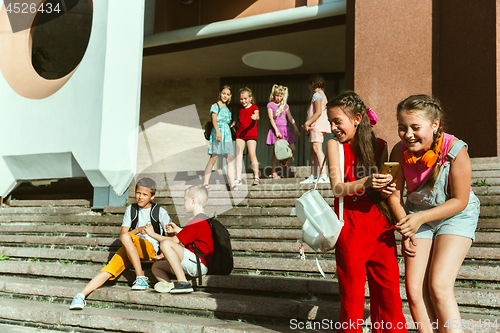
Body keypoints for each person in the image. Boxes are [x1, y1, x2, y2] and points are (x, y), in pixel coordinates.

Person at [388, 95, 479, 333]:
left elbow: (460, 201)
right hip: (417, 215)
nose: (408, 134)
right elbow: (394, 197)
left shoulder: (455, 150)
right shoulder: (399, 151)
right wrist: (406, 227)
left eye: (415, 127)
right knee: (414, 290)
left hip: (456, 214)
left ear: (435, 124)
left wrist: (417, 220)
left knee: (438, 286)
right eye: (402, 128)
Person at [326, 91, 407, 332]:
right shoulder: (334, 145)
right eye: (330, 122)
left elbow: (379, 194)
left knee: (389, 291)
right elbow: (337, 187)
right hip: (350, 227)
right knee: (351, 294)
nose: (333, 127)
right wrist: (367, 181)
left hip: (380, 226)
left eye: (337, 121)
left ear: (357, 118)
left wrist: (385, 187)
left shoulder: (380, 145)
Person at [70, 178, 170, 310]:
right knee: (110, 268)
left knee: (127, 237)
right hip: (129, 246)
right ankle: (81, 296)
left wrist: (163, 253)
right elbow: (124, 234)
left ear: (153, 196)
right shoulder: (131, 209)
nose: (140, 197)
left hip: (149, 249)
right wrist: (138, 230)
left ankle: (141, 277)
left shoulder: (159, 211)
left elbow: (171, 234)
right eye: (138, 193)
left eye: (145, 195)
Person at [145, 185, 214, 294]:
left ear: (193, 200)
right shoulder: (202, 220)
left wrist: (152, 234)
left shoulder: (197, 221)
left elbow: (172, 242)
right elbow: (192, 237)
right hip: (195, 262)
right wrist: (178, 230)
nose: (183, 204)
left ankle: (183, 282)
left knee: (166, 243)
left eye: (185, 200)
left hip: (198, 264)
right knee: (156, 266)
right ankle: (169, 285)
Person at [203, 85, 238, 191]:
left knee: (230, 159)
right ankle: (205, 183)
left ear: (230, 96)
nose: (225, 96)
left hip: (227, 134)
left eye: (228, 94)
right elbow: (214, 120)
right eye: (224, 93)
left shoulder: (228, 108)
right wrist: (218, 132)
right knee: (214, 158)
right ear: (220, 93)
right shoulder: (215, 105)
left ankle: (232, 184)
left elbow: (227, 122)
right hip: (217, 132)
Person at [301, 74, 332, 184]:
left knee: (317, 149)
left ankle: (323, 175)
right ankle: (314, 175)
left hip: (316, 126)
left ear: (312, 84)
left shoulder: (317, 95)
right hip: (315, 126)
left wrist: (307, 123)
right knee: (313, 150)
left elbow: (318, 112)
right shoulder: (321, 94)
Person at [266, 84, 300, 179]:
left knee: (292, 148)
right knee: (276, 152)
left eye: (281, 96)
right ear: (274, 95)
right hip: (276, 130)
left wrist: (295, 127)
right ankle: (273, 172)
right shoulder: (270, 105)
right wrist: (276, 131)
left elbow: (290, 117)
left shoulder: (285, 105)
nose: (278, 98)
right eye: (277, 95)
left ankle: (284, 162)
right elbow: (271, 119)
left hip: (285, 130)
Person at [234, 87, 260, 186]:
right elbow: (238, 118)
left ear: (250, 98)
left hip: (251, 134)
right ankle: (238, 178)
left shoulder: (254, 107)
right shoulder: (239, 108)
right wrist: (233, 123)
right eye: (241, 99)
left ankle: (256, 177)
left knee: (252, 155)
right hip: (240, 134)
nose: (243, 101)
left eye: (245, 98)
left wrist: (255, 117)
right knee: (238, 155)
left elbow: (257, 115)